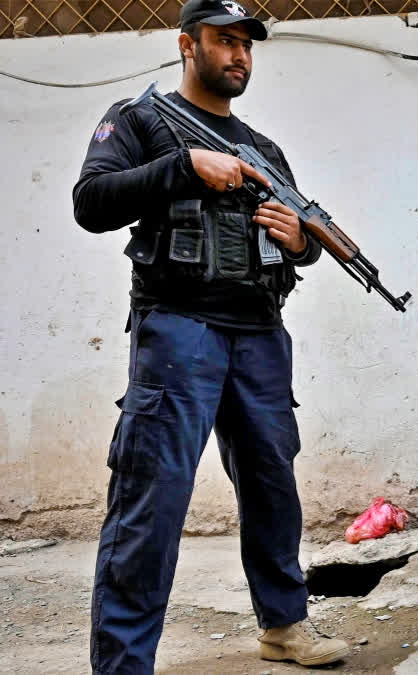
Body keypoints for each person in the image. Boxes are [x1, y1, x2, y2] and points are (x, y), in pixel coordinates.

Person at [72, 0, 351, 670]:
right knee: (154, 495)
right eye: (224, 41)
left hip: (258, 333)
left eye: (247, 46)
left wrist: (299, 246)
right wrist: (183, 168)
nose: (239, 56)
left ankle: (283, 623)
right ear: (186, 45)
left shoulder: (262, 149)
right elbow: (91, 203)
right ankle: (123, 662)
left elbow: (294, 241)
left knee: (272, 485)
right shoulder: (140, 120)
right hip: (177, 330)